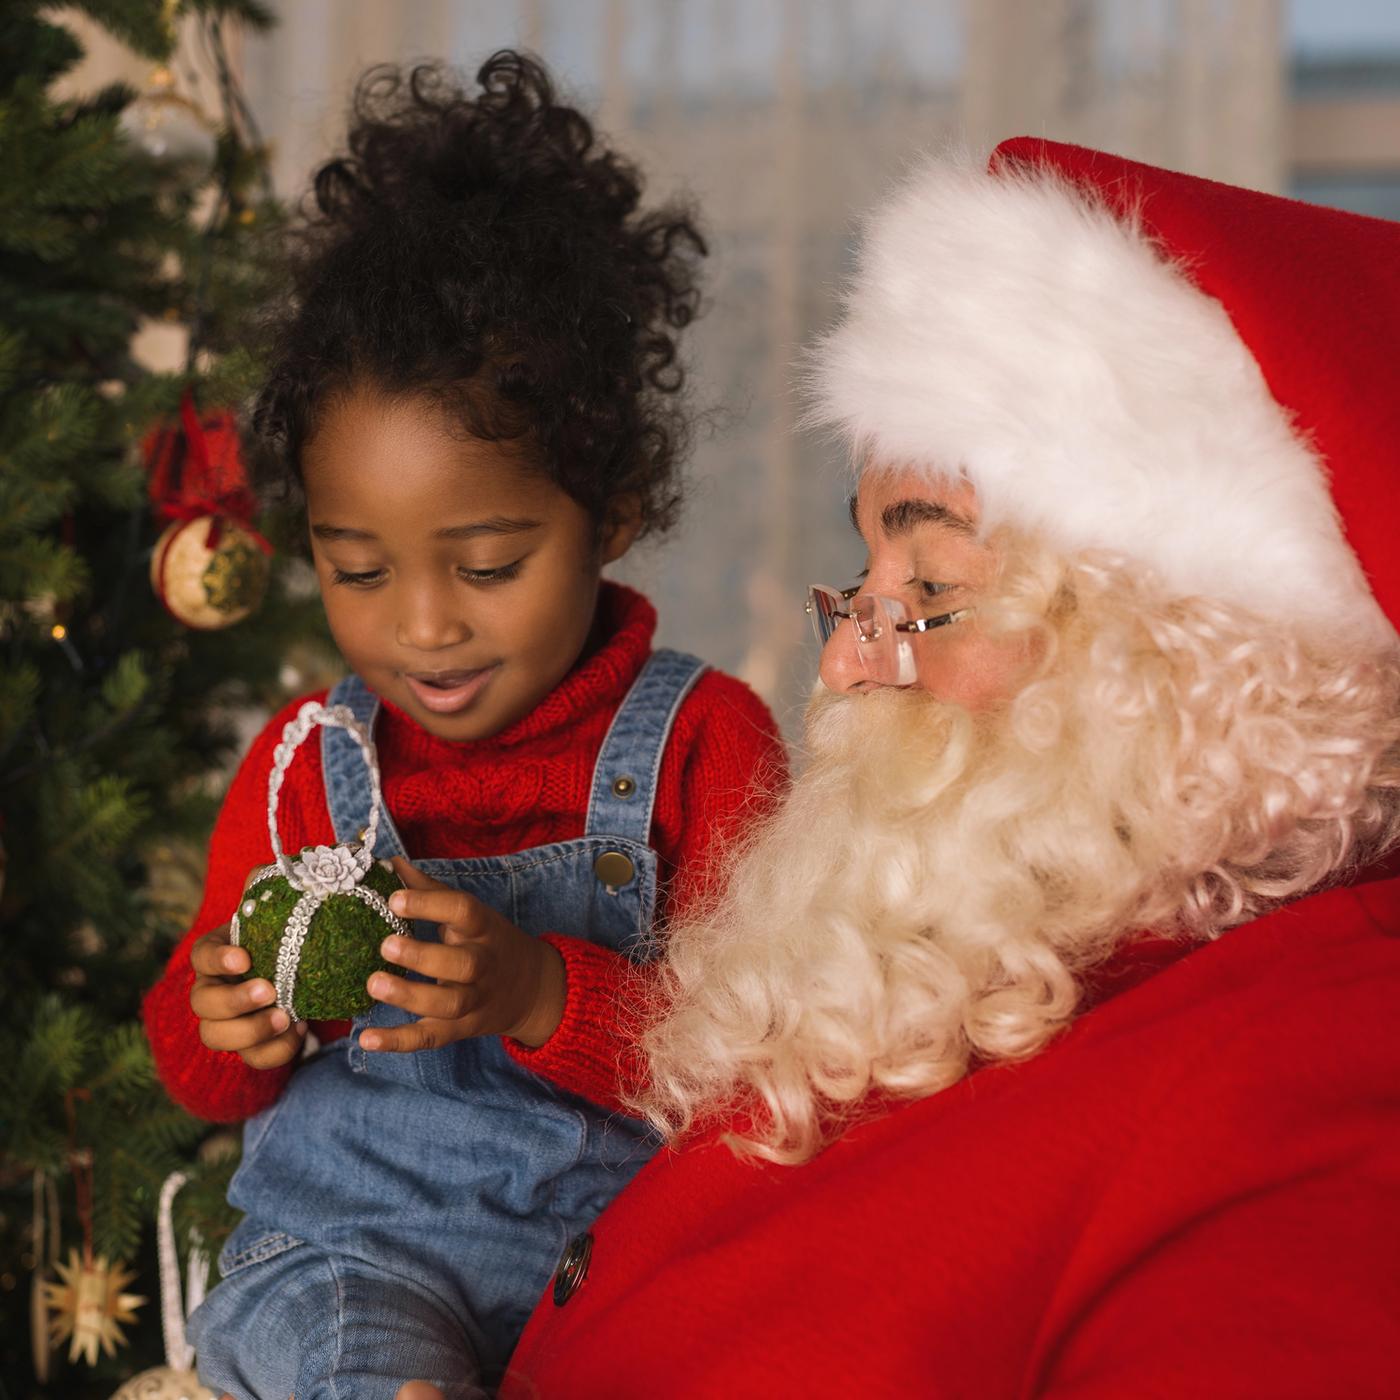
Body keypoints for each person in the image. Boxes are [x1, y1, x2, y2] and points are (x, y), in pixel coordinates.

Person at [473, 139, 1399, 1396]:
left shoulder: (1307, 1084)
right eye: (860, 580)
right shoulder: (982, 970)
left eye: (931, 589)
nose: (848, 662)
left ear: (1181, 661)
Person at [140, 52, 785, 1400]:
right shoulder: (305, 767)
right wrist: (228, 1021)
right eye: (359, 571)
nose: (422, 626)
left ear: (605, 515)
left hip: (618, 1268)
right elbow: (204, 1078)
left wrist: (546, 991)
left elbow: (764, 1070)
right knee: (346, 1348)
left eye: (486, 566)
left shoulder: (705, 747)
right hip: (350, 1258)